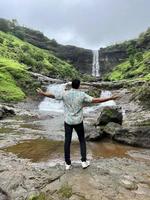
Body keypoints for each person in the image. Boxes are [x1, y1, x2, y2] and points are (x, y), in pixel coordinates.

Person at [37, 79, 119, 170]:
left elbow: (53, 95)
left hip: (68, 121)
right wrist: (110, 98)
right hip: (78, 122)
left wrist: (43, 93)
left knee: (67, 141)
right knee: (82, 140)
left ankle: (67, 163)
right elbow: (96, 100)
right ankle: (84, 161)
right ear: (79, 86)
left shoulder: (65, 93)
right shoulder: (82, 95)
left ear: (71, 85)